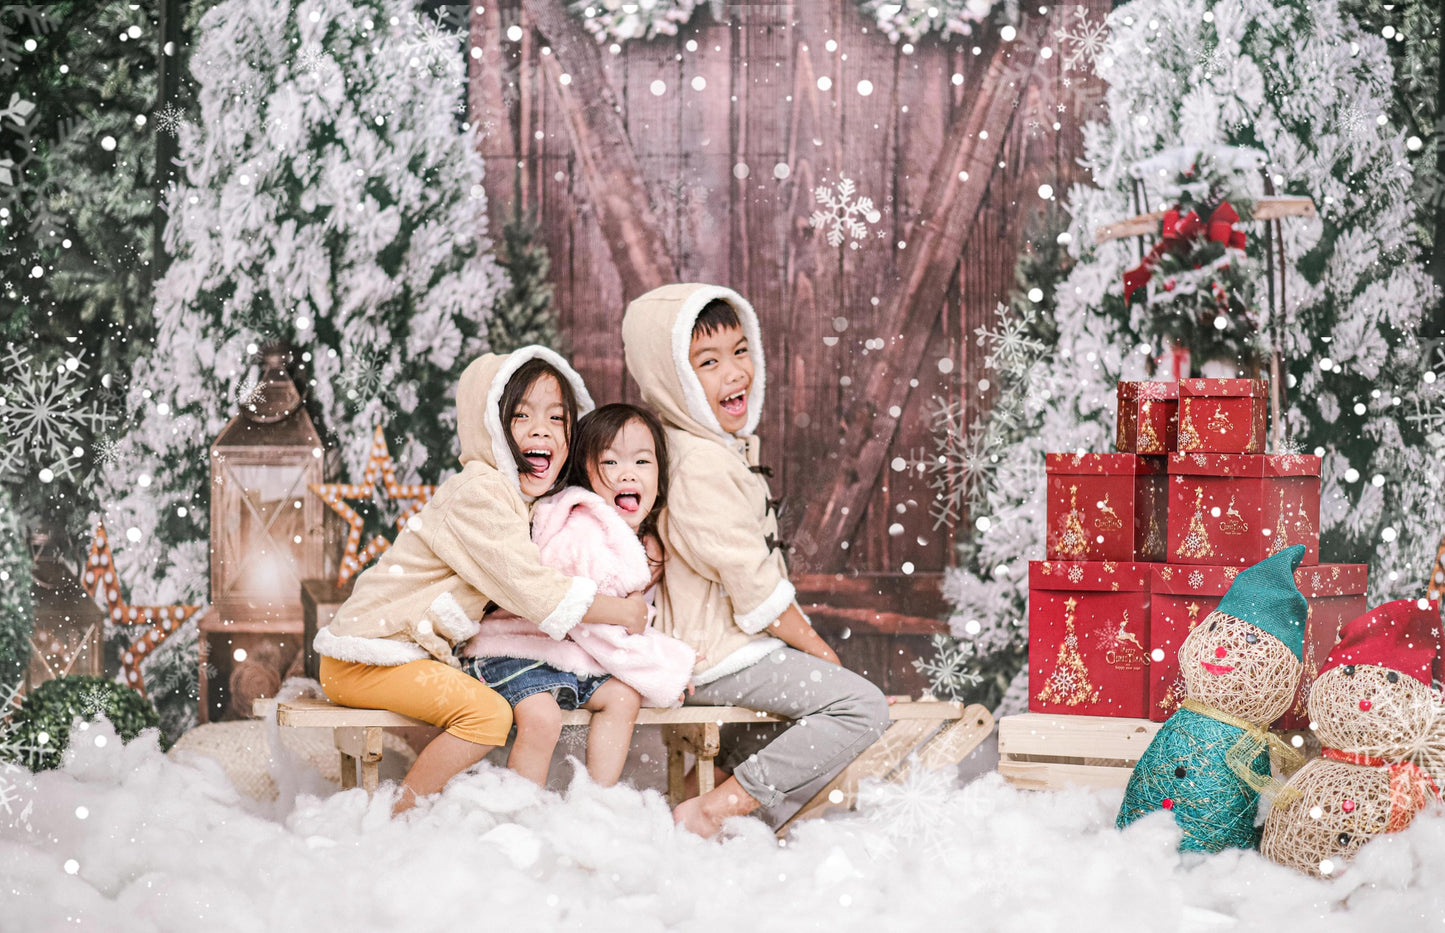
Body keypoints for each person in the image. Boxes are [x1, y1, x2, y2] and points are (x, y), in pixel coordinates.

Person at [312, 347, 648, 814]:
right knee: (485, 715)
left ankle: (435, 812)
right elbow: (535, 590)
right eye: (520, 416)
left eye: (557, 418)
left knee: (489, 711)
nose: (540, 429)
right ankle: (402, 816)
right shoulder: (479, 492)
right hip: (367, 657)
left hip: (405, 654)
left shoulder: (520, 501)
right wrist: (624, 612)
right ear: (489, 426)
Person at [621, 283, 891, 836]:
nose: (735, 372)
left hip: (733, 648)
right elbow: (754, 586)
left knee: (809, 718)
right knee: (861, 706)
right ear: (673, 379)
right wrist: (820, 651)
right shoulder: (699, 462)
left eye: (741, 351)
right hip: (717, 655)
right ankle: (712, 814)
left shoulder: (711, 448)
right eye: (708, 362)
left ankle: (738, 809)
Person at [460, 403, 695, 786]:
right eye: (610, 463)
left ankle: (595, 803)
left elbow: (618, 629)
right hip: (513, 650)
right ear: (584, 476)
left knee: (623, 698)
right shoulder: (583, 533)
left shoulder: (636, 542)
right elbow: (598, 628)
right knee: (542, 717)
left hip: (566, 656)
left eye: (641, 462)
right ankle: (520, 812)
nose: (627, 474)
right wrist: (667, 666)